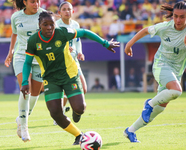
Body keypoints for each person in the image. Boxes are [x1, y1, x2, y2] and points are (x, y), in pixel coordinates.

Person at [20, 11, 119, 145]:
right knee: (55, 113)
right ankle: (79, 135)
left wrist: (105, 43)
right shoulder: (33, 41)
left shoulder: (62, 32)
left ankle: (76, 112)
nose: (49, 27)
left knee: (80, 108)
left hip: (70, 75)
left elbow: (84, 32)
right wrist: (25, 82)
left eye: (52, 24)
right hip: (51, 79)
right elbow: (27, 63)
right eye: (45, 24)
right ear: (40, 25)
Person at [123, 1, 186, 142]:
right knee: (176, 91)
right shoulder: (165, 27)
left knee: (160, 109)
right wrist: (129, 44)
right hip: (161, 65)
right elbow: (146, 30)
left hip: (176, 72)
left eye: (182, 17)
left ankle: (130, 131)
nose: (178, 20)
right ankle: (149, 104)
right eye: (175, 16)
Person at [4, 0, 45, 142]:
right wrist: (11, 52)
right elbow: (14, 34)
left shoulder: (44, 15)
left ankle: (20, 119)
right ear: (25, 2)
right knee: (25, 90)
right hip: (21, 56)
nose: (36, 4)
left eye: (38, 1)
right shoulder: (16, 17)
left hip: (39, 58)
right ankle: (24, 127)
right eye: (33, 1)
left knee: (36, 93)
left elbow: (53, 32)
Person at [55, 1, 87, 125]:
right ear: (59, 13)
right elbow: (53, 43)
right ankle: (59, 115)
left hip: (73, 61)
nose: (67, 11)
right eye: (64, 9)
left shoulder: (75, 24)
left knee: (83, 89)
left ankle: (70, 111)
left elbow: (78, 41)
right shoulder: (56, 26)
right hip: (61, 63)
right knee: (63, 91)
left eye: (69, 9)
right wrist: (63, 48)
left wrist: (80, 52)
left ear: (72, 11)